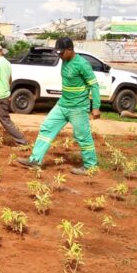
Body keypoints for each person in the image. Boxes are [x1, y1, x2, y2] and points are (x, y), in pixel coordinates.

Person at [17, 37, 100, 175]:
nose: (59, 56)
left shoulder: (82, 64)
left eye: (61, 53)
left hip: (78, 108)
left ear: (70, 50)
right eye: (58, 53)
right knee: (46, 128)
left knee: (82, 136)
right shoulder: (64, 61)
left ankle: (90, 166)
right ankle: (35, 160)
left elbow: (94, 85)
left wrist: (96, 107)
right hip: (62, 105)